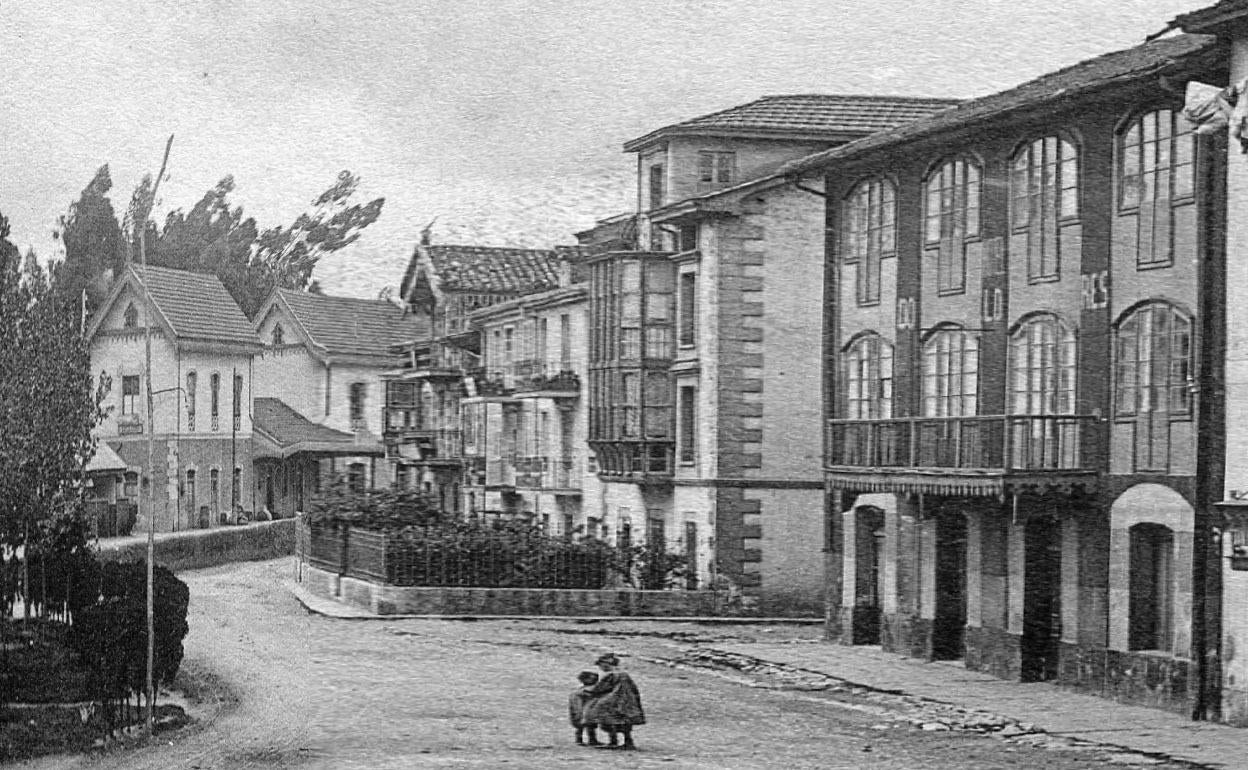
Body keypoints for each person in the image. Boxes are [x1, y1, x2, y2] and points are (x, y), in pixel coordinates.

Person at [583, 653, 645, 750]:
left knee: (599, 714)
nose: (600, 667)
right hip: (627, 701)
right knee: (625, 723)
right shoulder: (624, 674)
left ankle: (613, 741)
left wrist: (587, 690)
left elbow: (600, 688)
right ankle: (628, 742)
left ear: (606, 664)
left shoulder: (611, 675)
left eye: (601, 665)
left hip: (614, 700)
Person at [568, 671, 601, 746]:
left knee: (588, 725)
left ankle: (589, 740)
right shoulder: (585, 690)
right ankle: (583, 740)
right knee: (584, 725)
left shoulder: (580, 690)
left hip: (585, 710)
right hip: (583, 709)